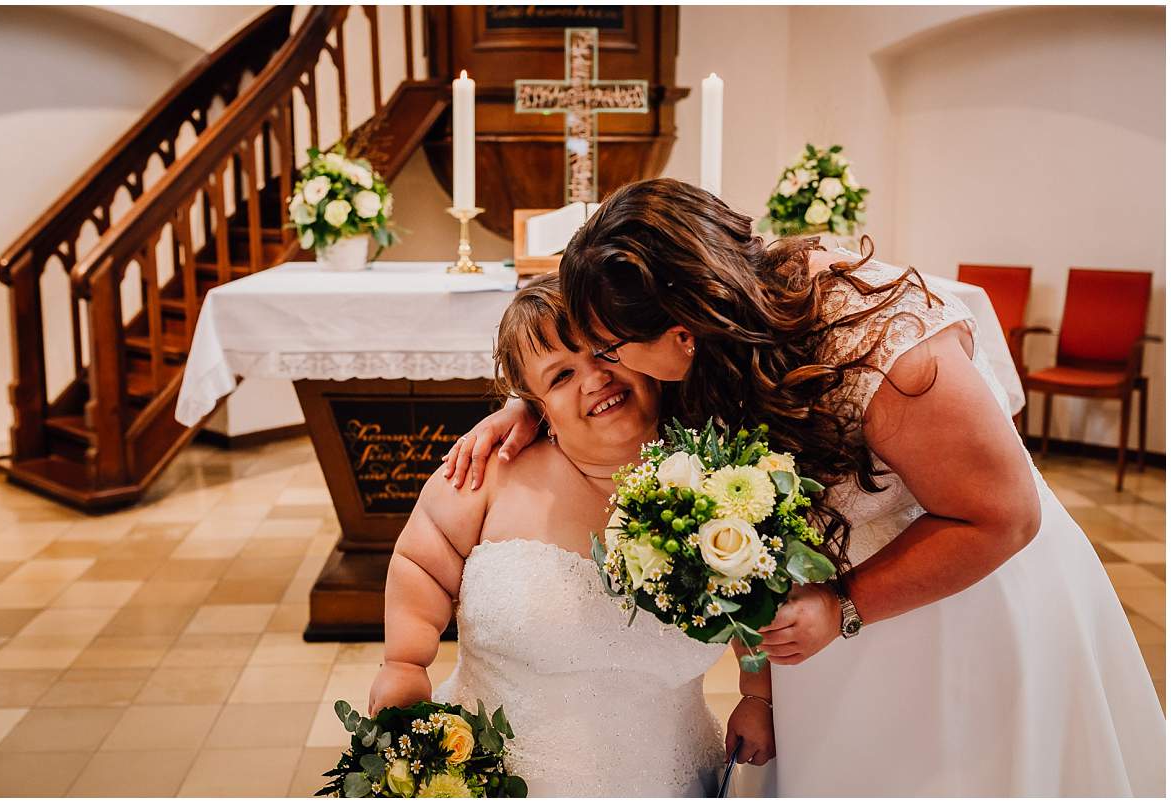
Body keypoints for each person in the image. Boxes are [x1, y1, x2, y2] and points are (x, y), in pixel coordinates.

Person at [442, 178, 1165, 796]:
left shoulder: (878, 344)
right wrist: (529, 407)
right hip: (823, 626)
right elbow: (613, 398)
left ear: (680, 336)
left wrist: (846, 605)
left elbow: (1005, 516)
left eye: (611, 346)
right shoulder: (716, 326)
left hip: (962, 598)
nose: (606, 362)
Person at [368, 275, 731, 796]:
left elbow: (756, 587)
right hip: (501, 773)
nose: (593, 378)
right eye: (560, 376)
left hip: (668, 774)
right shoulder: (489, 472)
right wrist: (405, 662)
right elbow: (421, 562)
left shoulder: (718, 468)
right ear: (538, 409)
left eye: (606, 350)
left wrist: (758, 695)